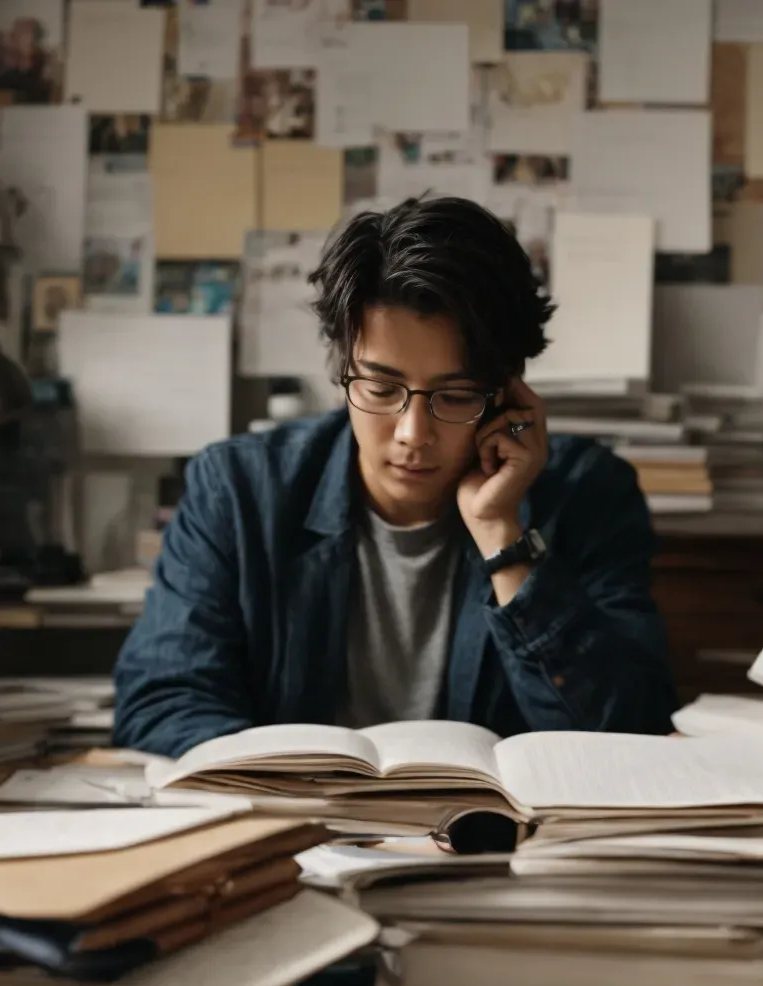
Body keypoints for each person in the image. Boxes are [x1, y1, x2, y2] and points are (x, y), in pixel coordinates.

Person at [112, 196, 678, 757]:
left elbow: (623, 734)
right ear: (342, 367)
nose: (412, 432)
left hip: (489, 843)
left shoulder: (587, 495)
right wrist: (303, 790)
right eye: (381, 390)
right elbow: (163, 701)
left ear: (508, 391)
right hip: (297, 828)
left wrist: (503, 537)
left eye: (455, 396)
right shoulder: (238, 489)